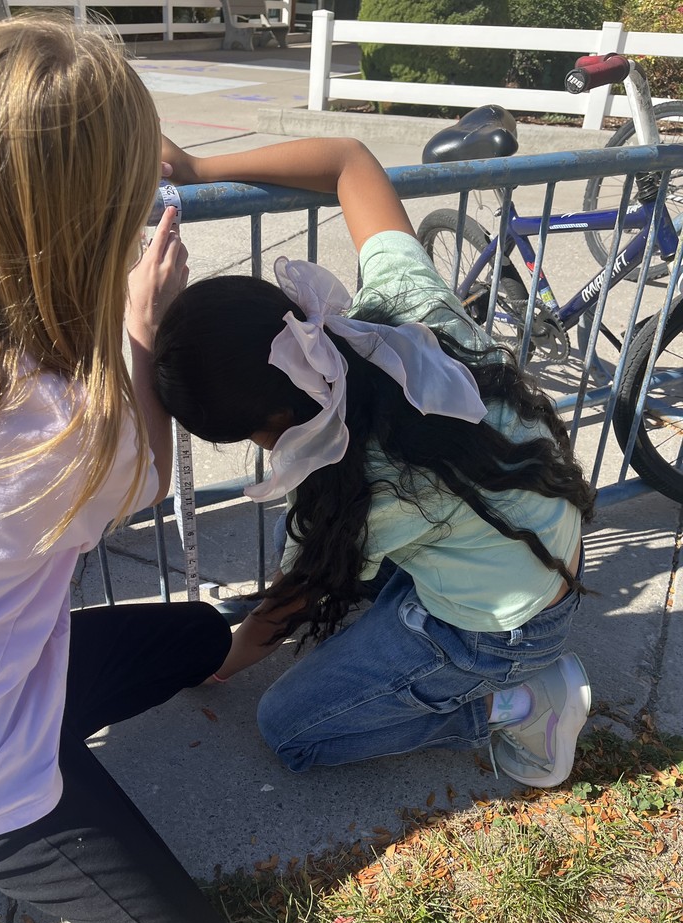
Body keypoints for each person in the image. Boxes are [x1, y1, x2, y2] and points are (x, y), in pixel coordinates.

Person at [0, 17, 242, 923]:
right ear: (98, 222)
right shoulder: (52, 431)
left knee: (198, 632)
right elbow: (140, 474)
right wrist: (142, 333)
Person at [153, 136, 594, 790]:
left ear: (273, 423)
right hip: (530, 551)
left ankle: (519, 704)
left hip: (502, 632)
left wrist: (213, 665)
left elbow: (276, 620)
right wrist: (197, 168)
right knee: (308, 538)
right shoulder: (399, 310)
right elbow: (349, 162)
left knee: (291, 727)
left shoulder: (358, 488)